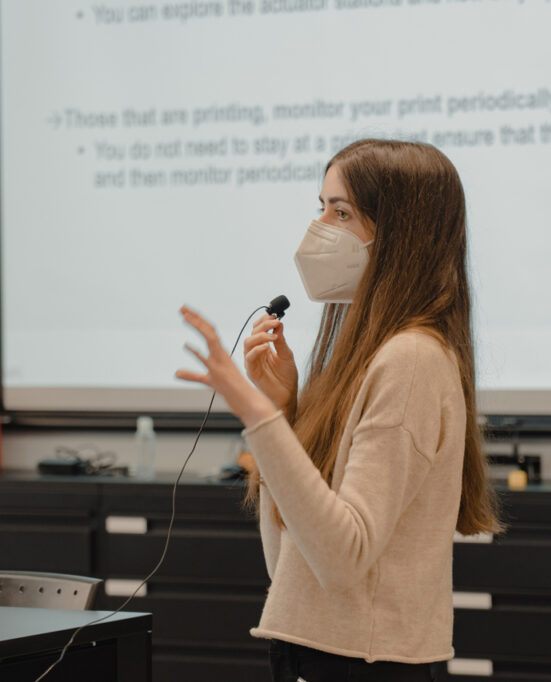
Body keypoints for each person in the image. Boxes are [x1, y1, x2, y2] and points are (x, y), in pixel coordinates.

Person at [176, 139, 502, 682]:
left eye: (342, 211)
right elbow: (290, 565)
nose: (320, 226)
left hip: (361, 663)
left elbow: (342, 558)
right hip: (320, 652)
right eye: (321, 206)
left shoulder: (411, 361)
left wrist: (259, 417)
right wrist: (283, 412)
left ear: (401, 233)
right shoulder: (365, 358)